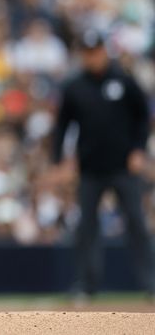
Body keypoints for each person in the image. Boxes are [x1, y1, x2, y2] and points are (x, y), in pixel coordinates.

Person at [52, 29, 155, 300]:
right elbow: (62, 125)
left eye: (95, 51)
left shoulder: (123, 80)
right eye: (87, 53)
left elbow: (143, 117)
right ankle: (88, 285)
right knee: (86, 228)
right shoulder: (74, 87)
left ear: (104, 51)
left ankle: (150, 283)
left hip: (123, 166)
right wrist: (59, 160)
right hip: (90, 169)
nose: (92, 57)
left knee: (136, 224)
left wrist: (138, 150)